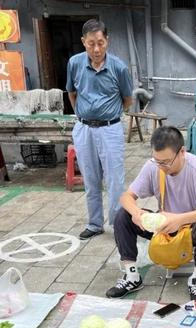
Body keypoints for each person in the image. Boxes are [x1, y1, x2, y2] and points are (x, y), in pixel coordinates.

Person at [106, 127, 196, 305]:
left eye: (166, 162)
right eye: (158, 161)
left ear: (182, 152)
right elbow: (126, 197)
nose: (162, 166)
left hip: (189, 227)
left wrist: (179, 219)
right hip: (163, 226)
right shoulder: (153, 166)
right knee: (123, 215)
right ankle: (132, 276)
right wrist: (136, 213)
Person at [67, 19, 133, 240]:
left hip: (110, 129)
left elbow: (127, 99)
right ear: (83, 42)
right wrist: (83, 116)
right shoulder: (74, 63)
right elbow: (72, 93)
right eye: (91, 43)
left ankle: (118, 225)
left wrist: (109, 116)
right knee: (91, 180)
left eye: (101, 43)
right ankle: (95, 224)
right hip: (84, 129)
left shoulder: (119, 68)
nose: (96, 49)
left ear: (108, 41)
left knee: (115, 181)